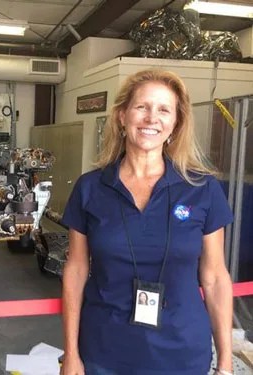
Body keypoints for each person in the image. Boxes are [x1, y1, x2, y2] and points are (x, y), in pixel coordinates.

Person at [60, 69, 233, 375]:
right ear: (122, 116)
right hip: (104, 350)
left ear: (176, 124)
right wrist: (71, 353)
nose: (152, 118)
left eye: (164, 110)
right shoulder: (91, 188)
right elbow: (75, 270)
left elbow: (216, 278)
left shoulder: (202, 189)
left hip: (181, 352)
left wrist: (226, 362)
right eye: (142, 107)